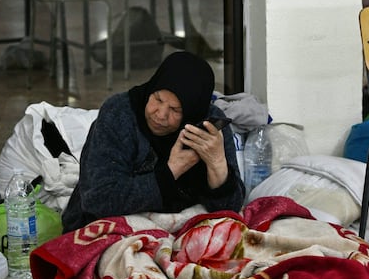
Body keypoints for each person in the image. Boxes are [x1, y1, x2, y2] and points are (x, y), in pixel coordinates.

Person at [61, 51, 246, 232]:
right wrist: (172, 170)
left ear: (192, 111)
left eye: (175, 109)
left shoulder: (208, 127)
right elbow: (98, 200)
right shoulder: (119, 114)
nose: (160, 114)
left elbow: (230, 209)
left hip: (180, 227)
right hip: (107, 227)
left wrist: (216, 163)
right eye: (157, 99)